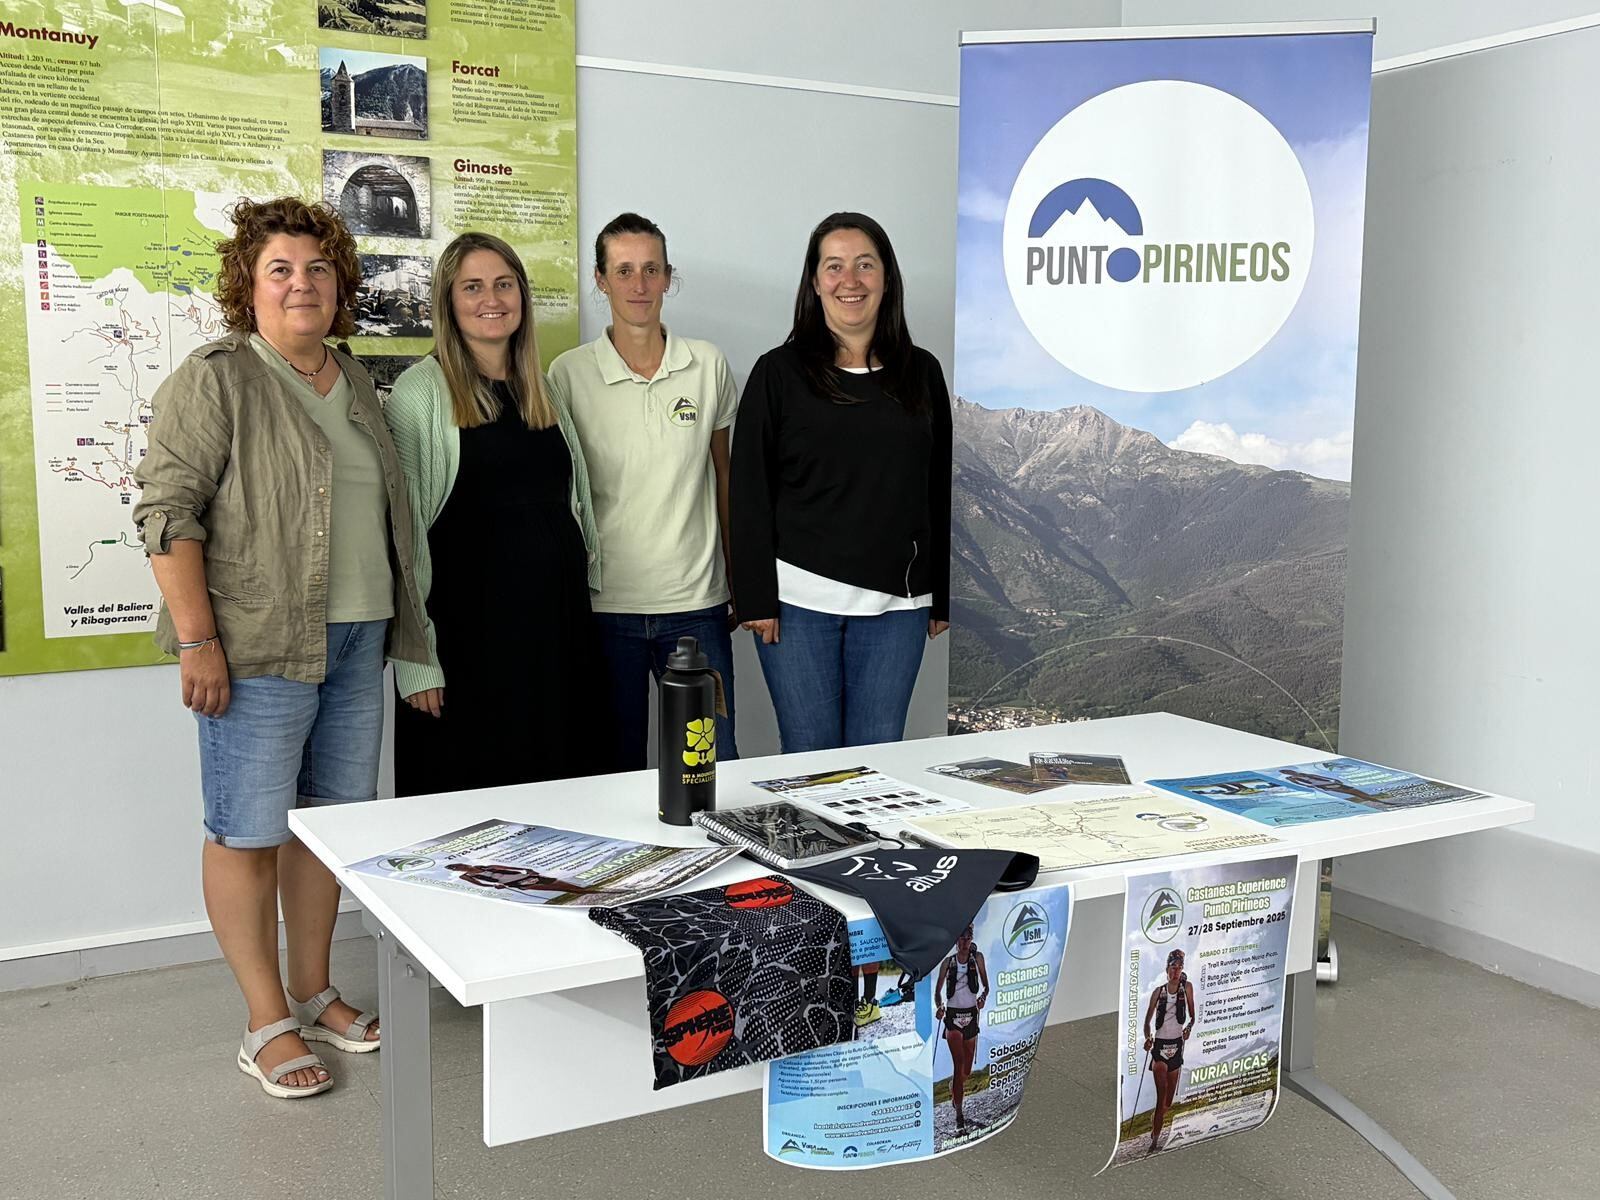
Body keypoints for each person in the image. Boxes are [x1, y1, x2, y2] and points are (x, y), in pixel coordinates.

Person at [132, 196, 432, 1099]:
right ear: (249, 286)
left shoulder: (354, 381)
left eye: (317, 268)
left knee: (327, 834)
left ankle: (316, 989)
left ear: (340, 284)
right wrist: (196, 641)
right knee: (247, 832)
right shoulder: (218, 377)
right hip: (256, 645)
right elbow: (167, 512)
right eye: (280, 270)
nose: (301, 283)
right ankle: (265, 1019)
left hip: (357, 641)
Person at [385, 232, 605, 795]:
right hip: (468, 653)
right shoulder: (420, 394)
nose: (492, 298)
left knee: (564, 809)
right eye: (473, 287)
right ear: (448, 301)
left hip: (556, 645)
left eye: (504, 284)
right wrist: (417, 662)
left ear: (522, 297)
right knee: (467, 830)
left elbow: (570, 508)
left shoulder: (543, 388)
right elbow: (403, 544)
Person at [731, 212, 952, 752]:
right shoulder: (778, 373)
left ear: (886, 278)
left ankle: (870, 843)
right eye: (834, 266)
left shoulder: (922, 373)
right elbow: (748, 491)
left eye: (864, 265)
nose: (849, 280)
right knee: (810, 756)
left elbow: (936, 487)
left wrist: (940, 596)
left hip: (897, 608)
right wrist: (755, 597)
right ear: (814, 281)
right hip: (798, 602)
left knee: (879, 758)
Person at [547, 213, 740, 769]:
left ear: (667, 277)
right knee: (612, 769)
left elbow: (725, 477)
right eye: (624, 270)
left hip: (696, 607)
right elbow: (563, 494)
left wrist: (737, 580)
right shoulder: (568, 374)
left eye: (651, 269)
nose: (639, 284)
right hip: (605, 610)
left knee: (710, 767)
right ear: (600, 280)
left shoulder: (707, 365)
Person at [1142, 948, 1197, 1152]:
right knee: (1160, 1095)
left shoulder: (1187, 988)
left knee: (1168, 1102)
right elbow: (1147, 1022)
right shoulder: (1158, 992)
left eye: (1179, 967)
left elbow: (1193, 1016)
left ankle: (1155, 1121)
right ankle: (1154, 1139)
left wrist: (1189, 1029)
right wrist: (1148, 1038)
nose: (1176, 971)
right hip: (1160, 1048)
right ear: (1167, 968)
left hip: (1177, 1045)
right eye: (1173, 967)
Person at [935, 925, 989, 1130]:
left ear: (972, 938)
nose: (965, 941)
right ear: (956, 940)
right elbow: (937, 992)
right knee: (958, 1066)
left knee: (967, 1069)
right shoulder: (947, 963)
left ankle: (953, 1088)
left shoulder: (979, 958)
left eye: (968, 937)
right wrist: (939, 1007)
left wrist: (983, 998)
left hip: (971, 1016)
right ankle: (959, 1116)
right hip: (953, 1018)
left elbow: (987, 986)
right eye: (961, 937)